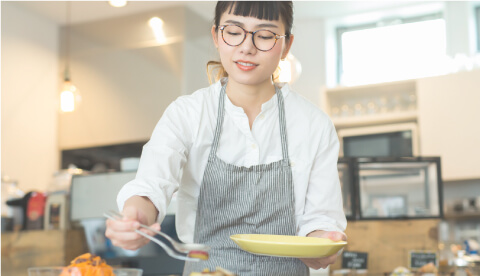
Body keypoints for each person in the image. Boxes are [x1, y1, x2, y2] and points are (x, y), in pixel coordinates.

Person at [105, 1, 347, 275]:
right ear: (216, 36)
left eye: (265, 35)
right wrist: (137, 216)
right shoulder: (187, 114)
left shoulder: (314, 124)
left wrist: (322, 242)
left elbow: (321, 218)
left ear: (286, 46)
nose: (247, 47)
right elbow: (152, 184)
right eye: (234, 31)